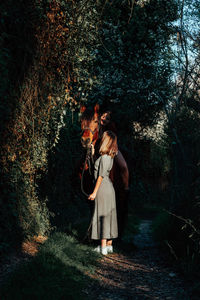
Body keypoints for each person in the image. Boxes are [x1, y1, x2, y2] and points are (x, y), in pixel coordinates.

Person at [88, 131, 118, 255]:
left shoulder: (105, 158)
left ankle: (103, 248)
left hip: (103, 189)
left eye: (103, 138)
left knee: (102, 216)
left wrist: (94, 192)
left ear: (105, 141)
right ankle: (109, 245)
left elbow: (100, 176)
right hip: (108, 189)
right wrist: (93, 154)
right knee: (109, 216)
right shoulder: (107, 157)